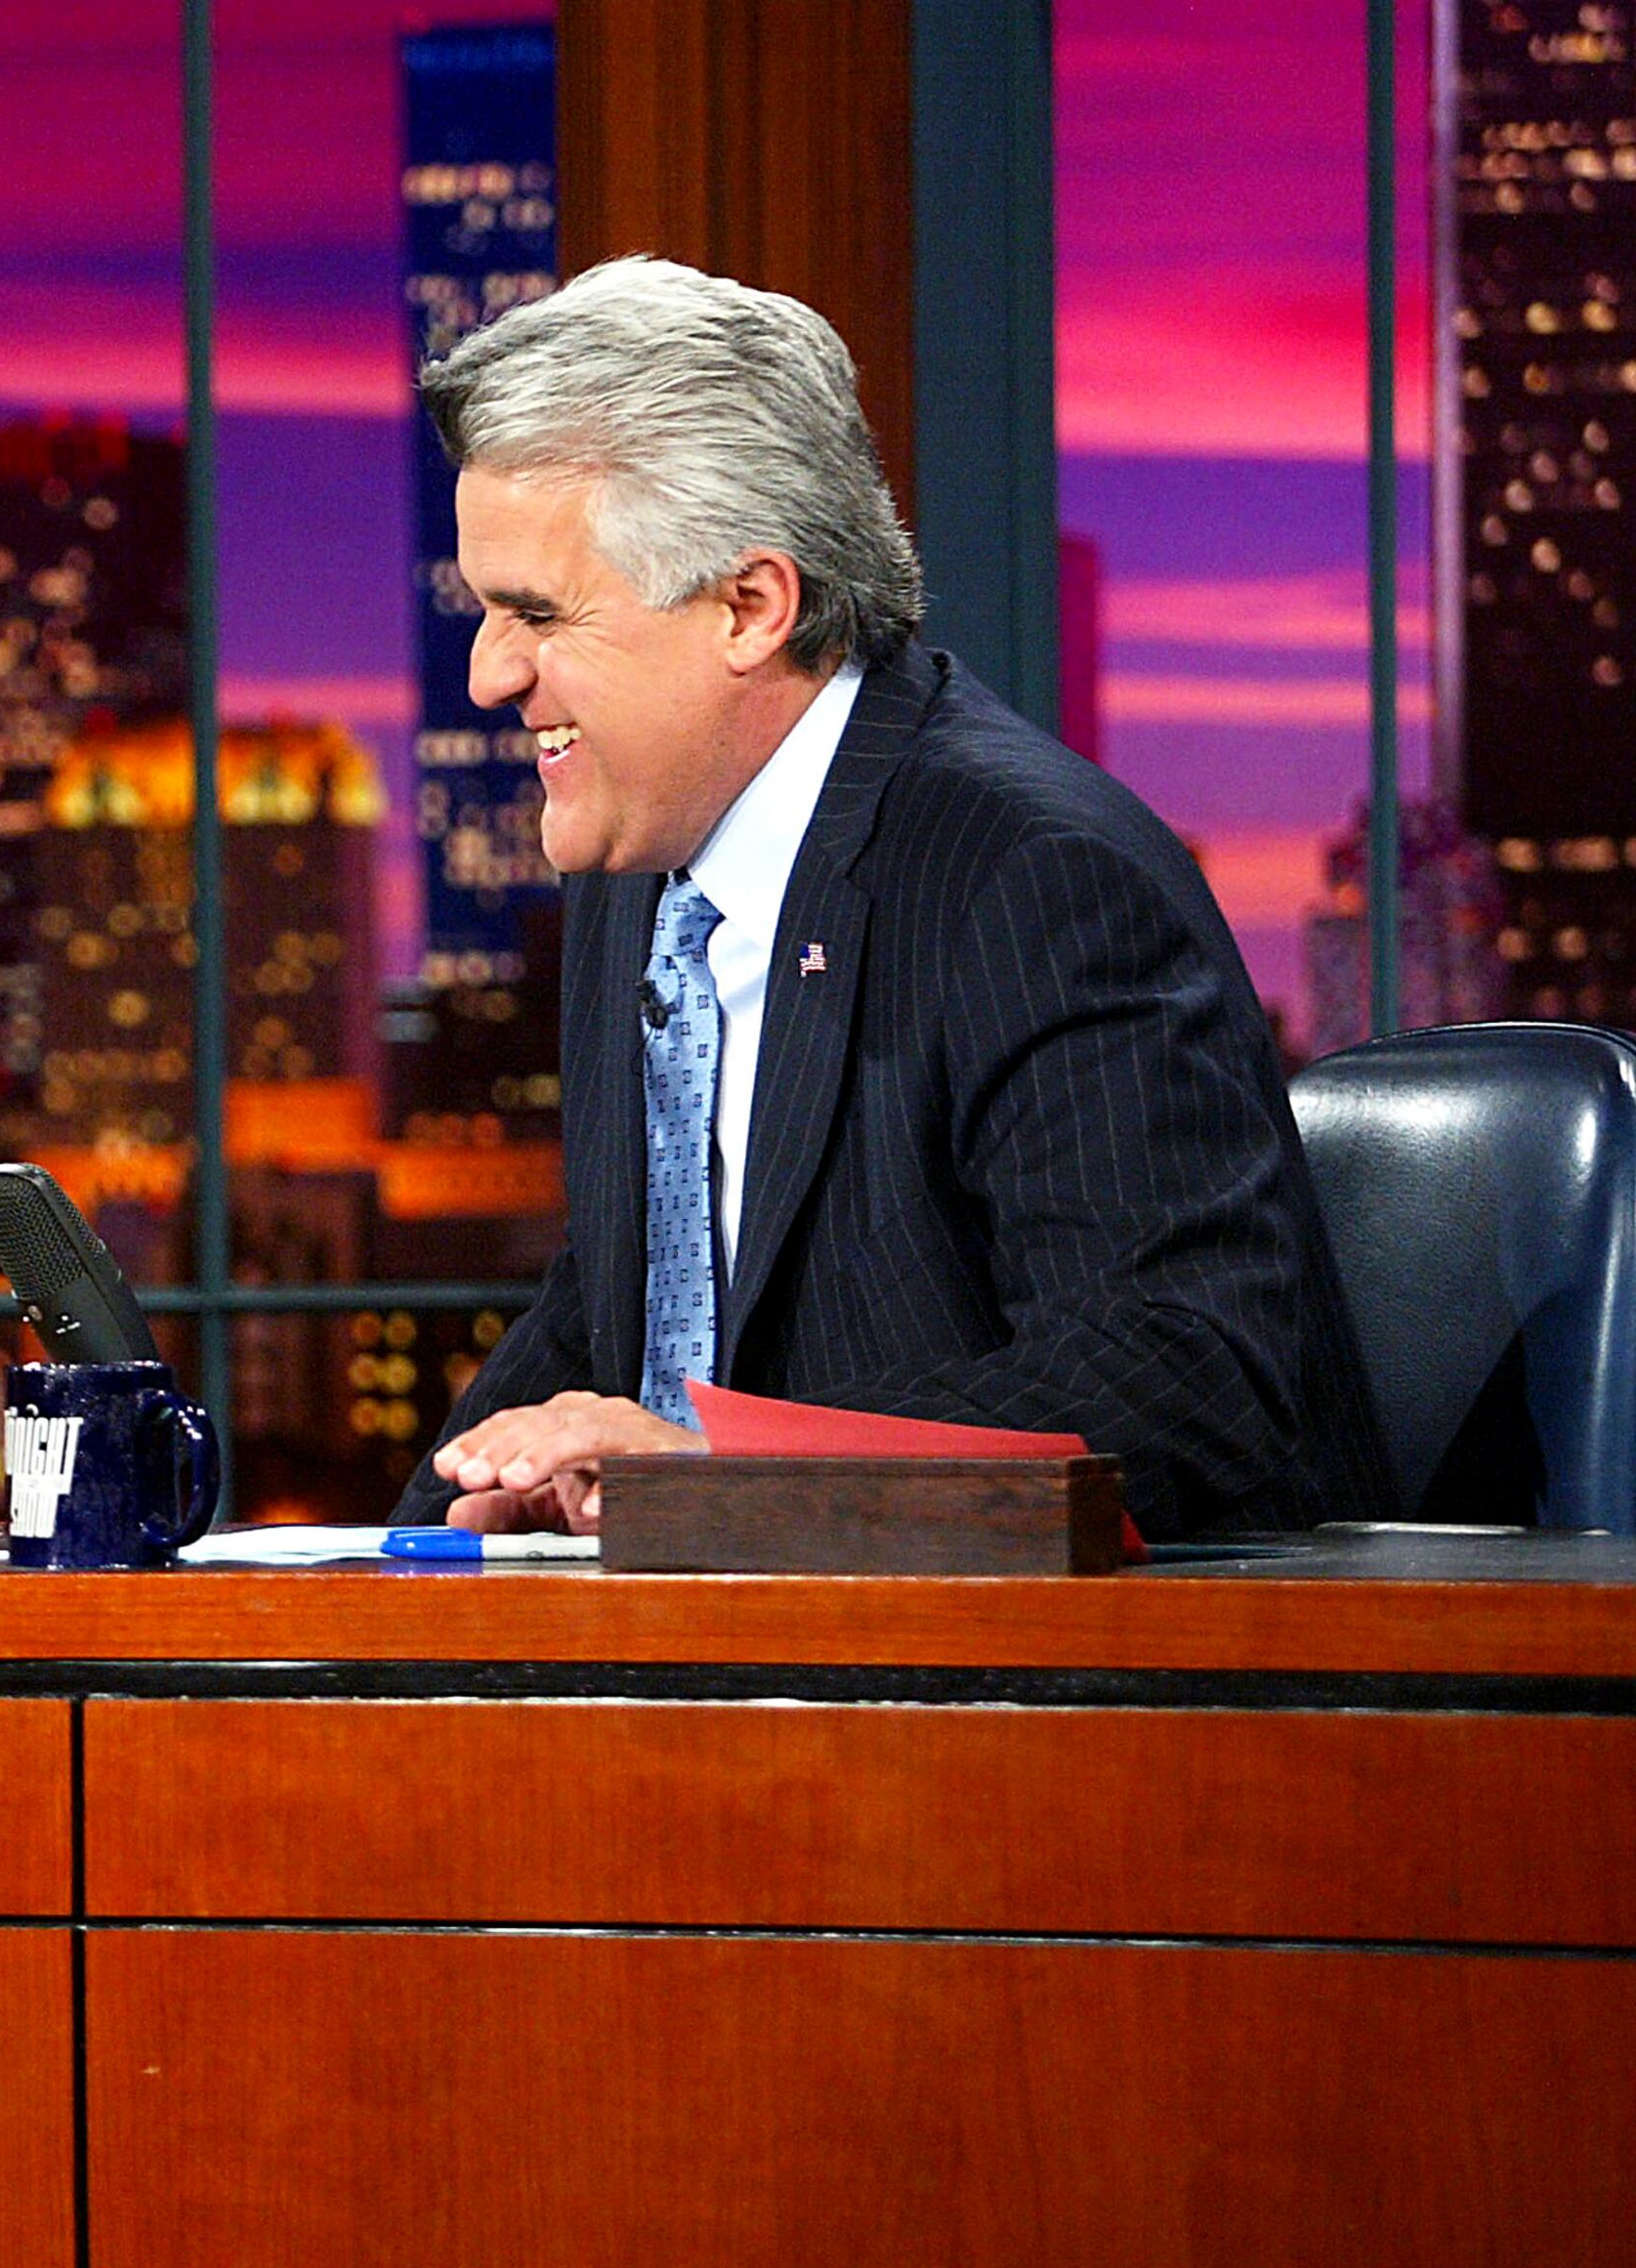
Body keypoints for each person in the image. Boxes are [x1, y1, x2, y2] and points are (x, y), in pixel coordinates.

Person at [395, 258, 1389, 1537]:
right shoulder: (641, 880)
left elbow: (1180, 1385)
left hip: (1011, 1699)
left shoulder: (1033, 883)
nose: (489, 674)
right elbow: (608, 1314)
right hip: (688, 1679)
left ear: (752, 605)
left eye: (536, 612)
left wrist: (715, 1480)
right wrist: (385, 1560)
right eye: (484, 610)